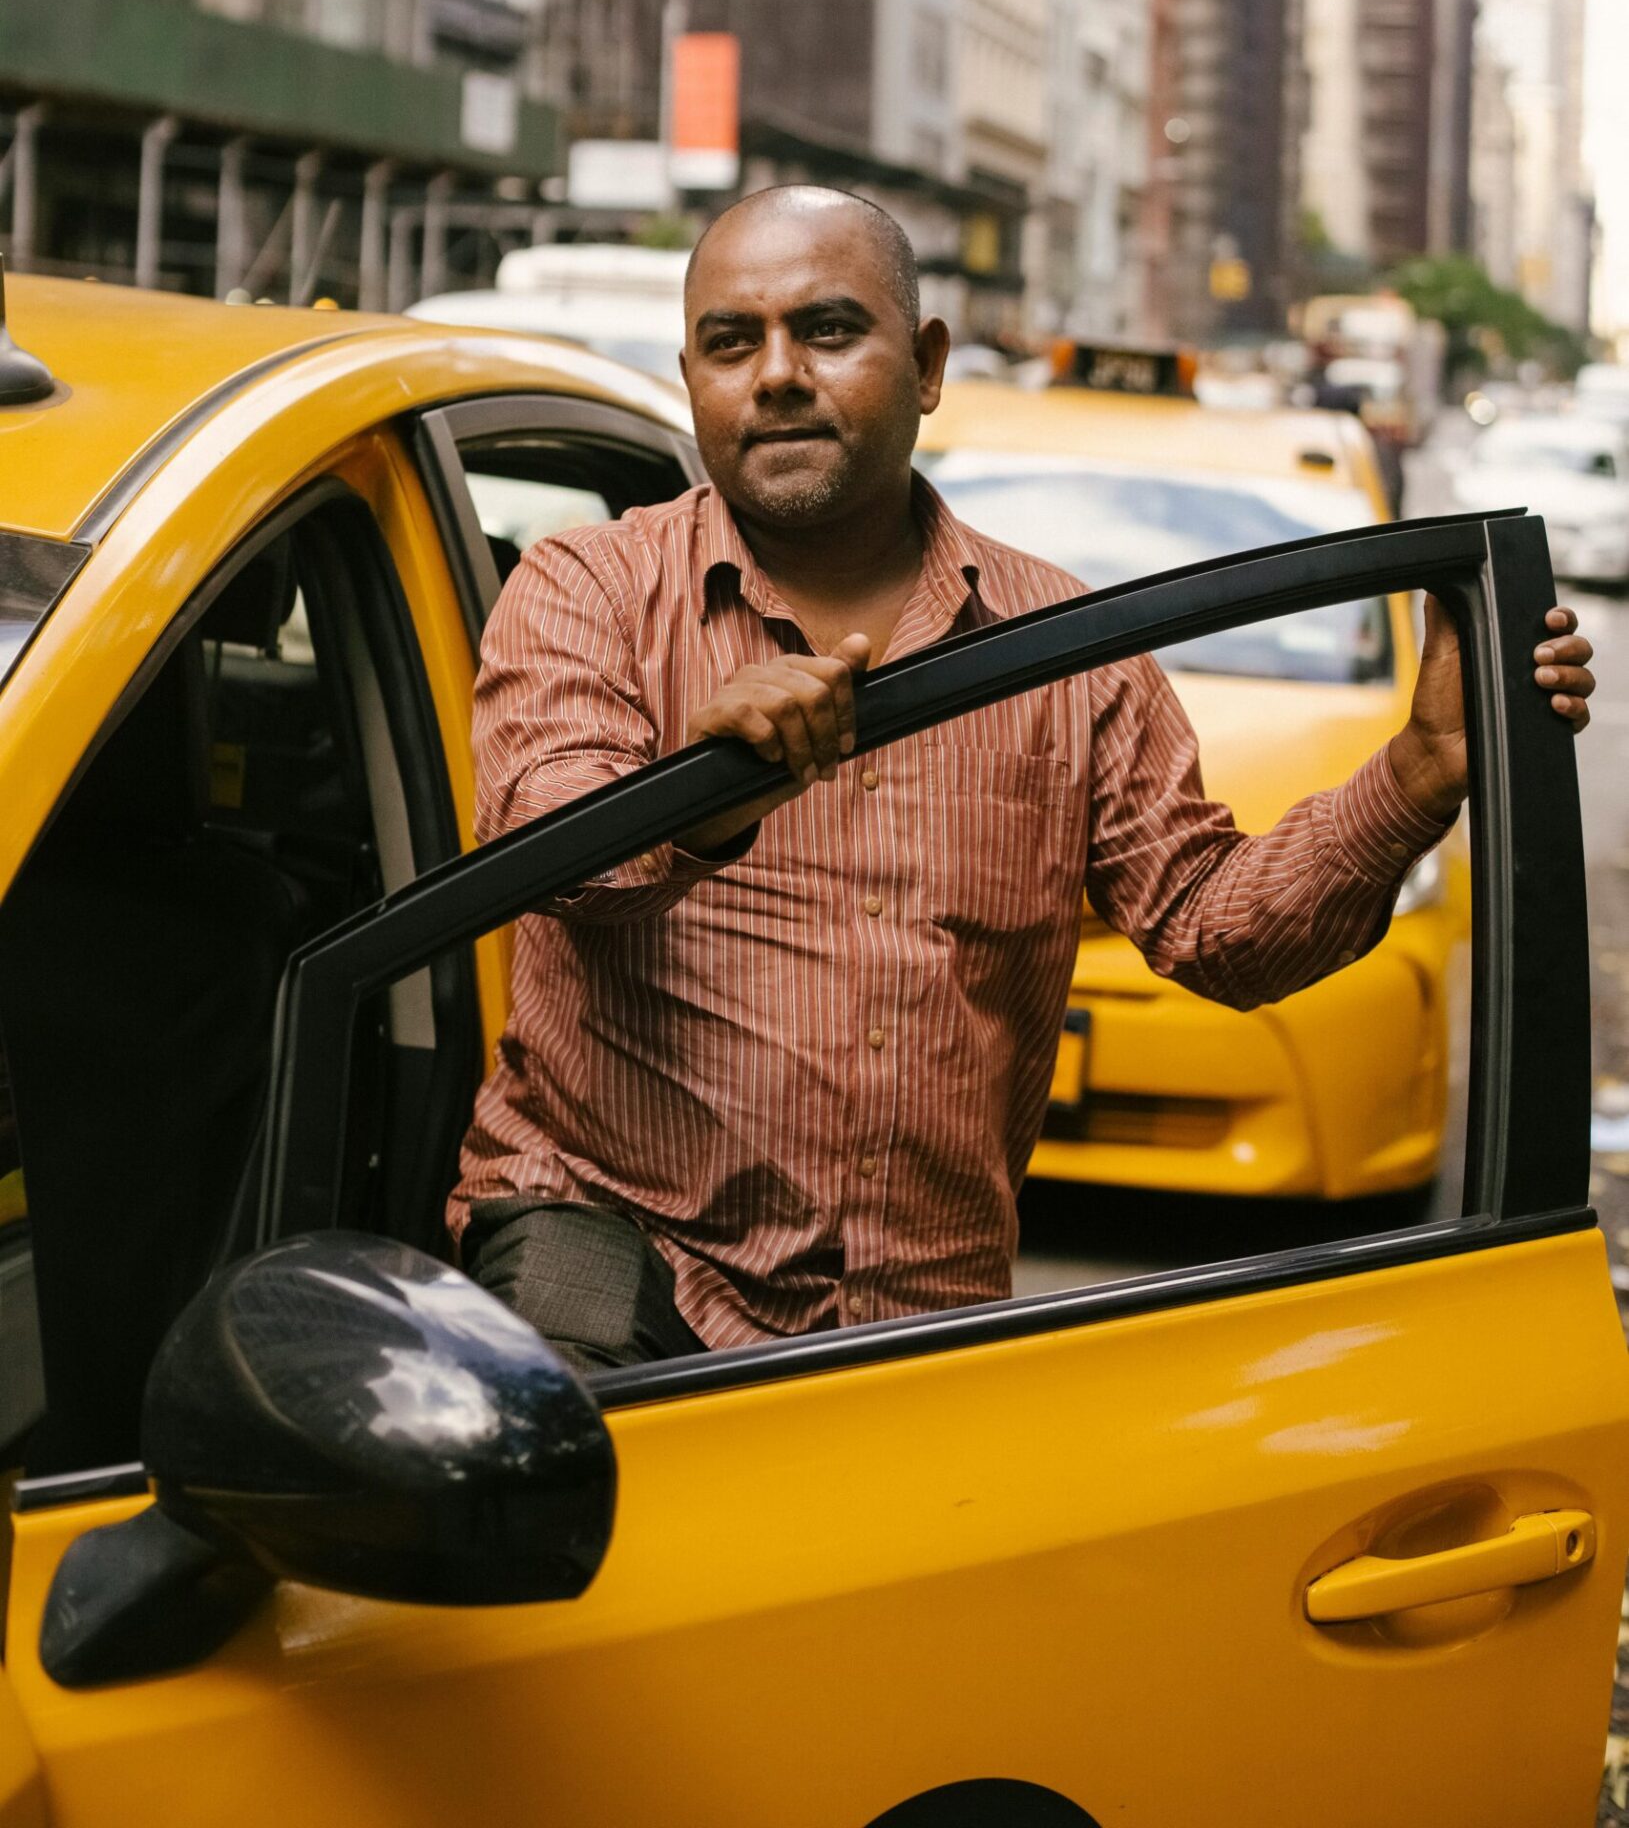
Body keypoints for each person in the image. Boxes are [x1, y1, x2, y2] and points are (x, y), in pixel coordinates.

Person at [449, 186, 1597, 1374]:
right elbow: (550, 845)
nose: (779, 374)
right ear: (692, 376)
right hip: (613, 1250)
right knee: (551, 1490)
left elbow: (1219, 930)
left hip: (922, 1317)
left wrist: (1420, 771)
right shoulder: (586, 589)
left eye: (830, 330)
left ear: (929, 363)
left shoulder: (1067, 652)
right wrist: (709, 782)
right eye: (732, 343)